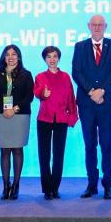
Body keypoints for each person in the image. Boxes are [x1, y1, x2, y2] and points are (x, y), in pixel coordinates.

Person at [71, 15, 111, 199]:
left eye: (101, 25)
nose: (97, 27)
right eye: (94, 24)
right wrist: (92, 91)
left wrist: (102, 91)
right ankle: (91, 184)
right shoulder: (80, 46)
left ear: (106, 26)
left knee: (107, 144)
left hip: (107, 102)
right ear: (89, 26)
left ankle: (108, 185)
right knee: (90, 144)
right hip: (87, 103)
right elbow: (76, 72)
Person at [0, 44, 34, 200]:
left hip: (19, 115)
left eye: (14, 54)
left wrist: (14, 109)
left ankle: (16, 185)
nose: (10, 57)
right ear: (3, 57)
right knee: (4, 150)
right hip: (0, 115)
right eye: (7, 54)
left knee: (17, 149)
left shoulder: (26, 74)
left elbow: (29, 96)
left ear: (19, 57)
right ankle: (6, 186)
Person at [34, 46, 78, 200]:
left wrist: (72, 117)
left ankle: (55, 188)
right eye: (48, 57)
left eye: (54, 56)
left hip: (61, 119)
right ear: (45, 59)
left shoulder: (65, 77)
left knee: (59, 155)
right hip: (44, 119)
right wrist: (43, 94)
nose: (52, 59)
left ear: (58, 58)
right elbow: (37, 92)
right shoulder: (40, 76)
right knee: (44, 155)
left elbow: (71, 98)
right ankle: (47, 189)